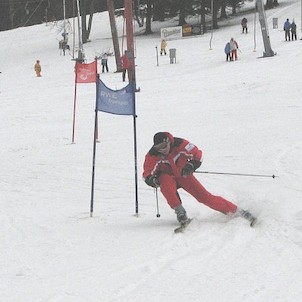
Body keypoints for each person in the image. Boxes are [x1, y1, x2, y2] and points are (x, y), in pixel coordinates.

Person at [143, 132, 256, 227]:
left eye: (164, 145)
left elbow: (198, 155)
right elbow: (146, 173)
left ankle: (238, 212)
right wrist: (152, 180)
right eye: (158, 147)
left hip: (183, 175)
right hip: (168, 178)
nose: (162, 150)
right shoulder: (152, 155)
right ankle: (180, 213)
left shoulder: (180, 144)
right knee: (165, 183)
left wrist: (190, 166)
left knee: (205, 198)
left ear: (168, 142)